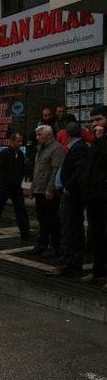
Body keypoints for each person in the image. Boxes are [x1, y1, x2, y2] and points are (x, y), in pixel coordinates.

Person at [48, 120, 89, 277]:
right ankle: (73, 262)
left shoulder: (78, 148)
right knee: (74, 229)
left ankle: (66, 263)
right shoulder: (76, 147)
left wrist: (68, 186)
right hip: (71, 194)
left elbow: (80, 169)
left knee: (69, 230)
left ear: (66, 134)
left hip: (71, 196)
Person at [80, 105, 107, 292]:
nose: (94, 124)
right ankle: (98, 271)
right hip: (95, 195)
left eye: (98, 120)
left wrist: (100, 141)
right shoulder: (98, 141)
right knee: (97, 235)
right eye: (93, 120)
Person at [28, 124, 65, 258]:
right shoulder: (41, 149)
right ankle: (41, 243)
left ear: (48, 135)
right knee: (42, 219)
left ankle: (55, 246)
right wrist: (32, 188)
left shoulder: (56, 149)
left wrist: (51, 189)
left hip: (48, 192)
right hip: (39, 190)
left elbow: (56, 170)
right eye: (37, 135)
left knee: (53, 220)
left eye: (40, 135)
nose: (37, 138)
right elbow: (37, 171)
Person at [0, 132, 30, 240]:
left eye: (21, 141)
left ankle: (25, 232)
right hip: (5, 187)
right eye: (18, 141)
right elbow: (0, 170)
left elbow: (22, 169)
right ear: (12, 141)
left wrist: (19, 181)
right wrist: (9, 180)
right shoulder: (4, 154)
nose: (20, 143)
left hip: (16, 188)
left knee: (21, 209)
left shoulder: (20, 154)